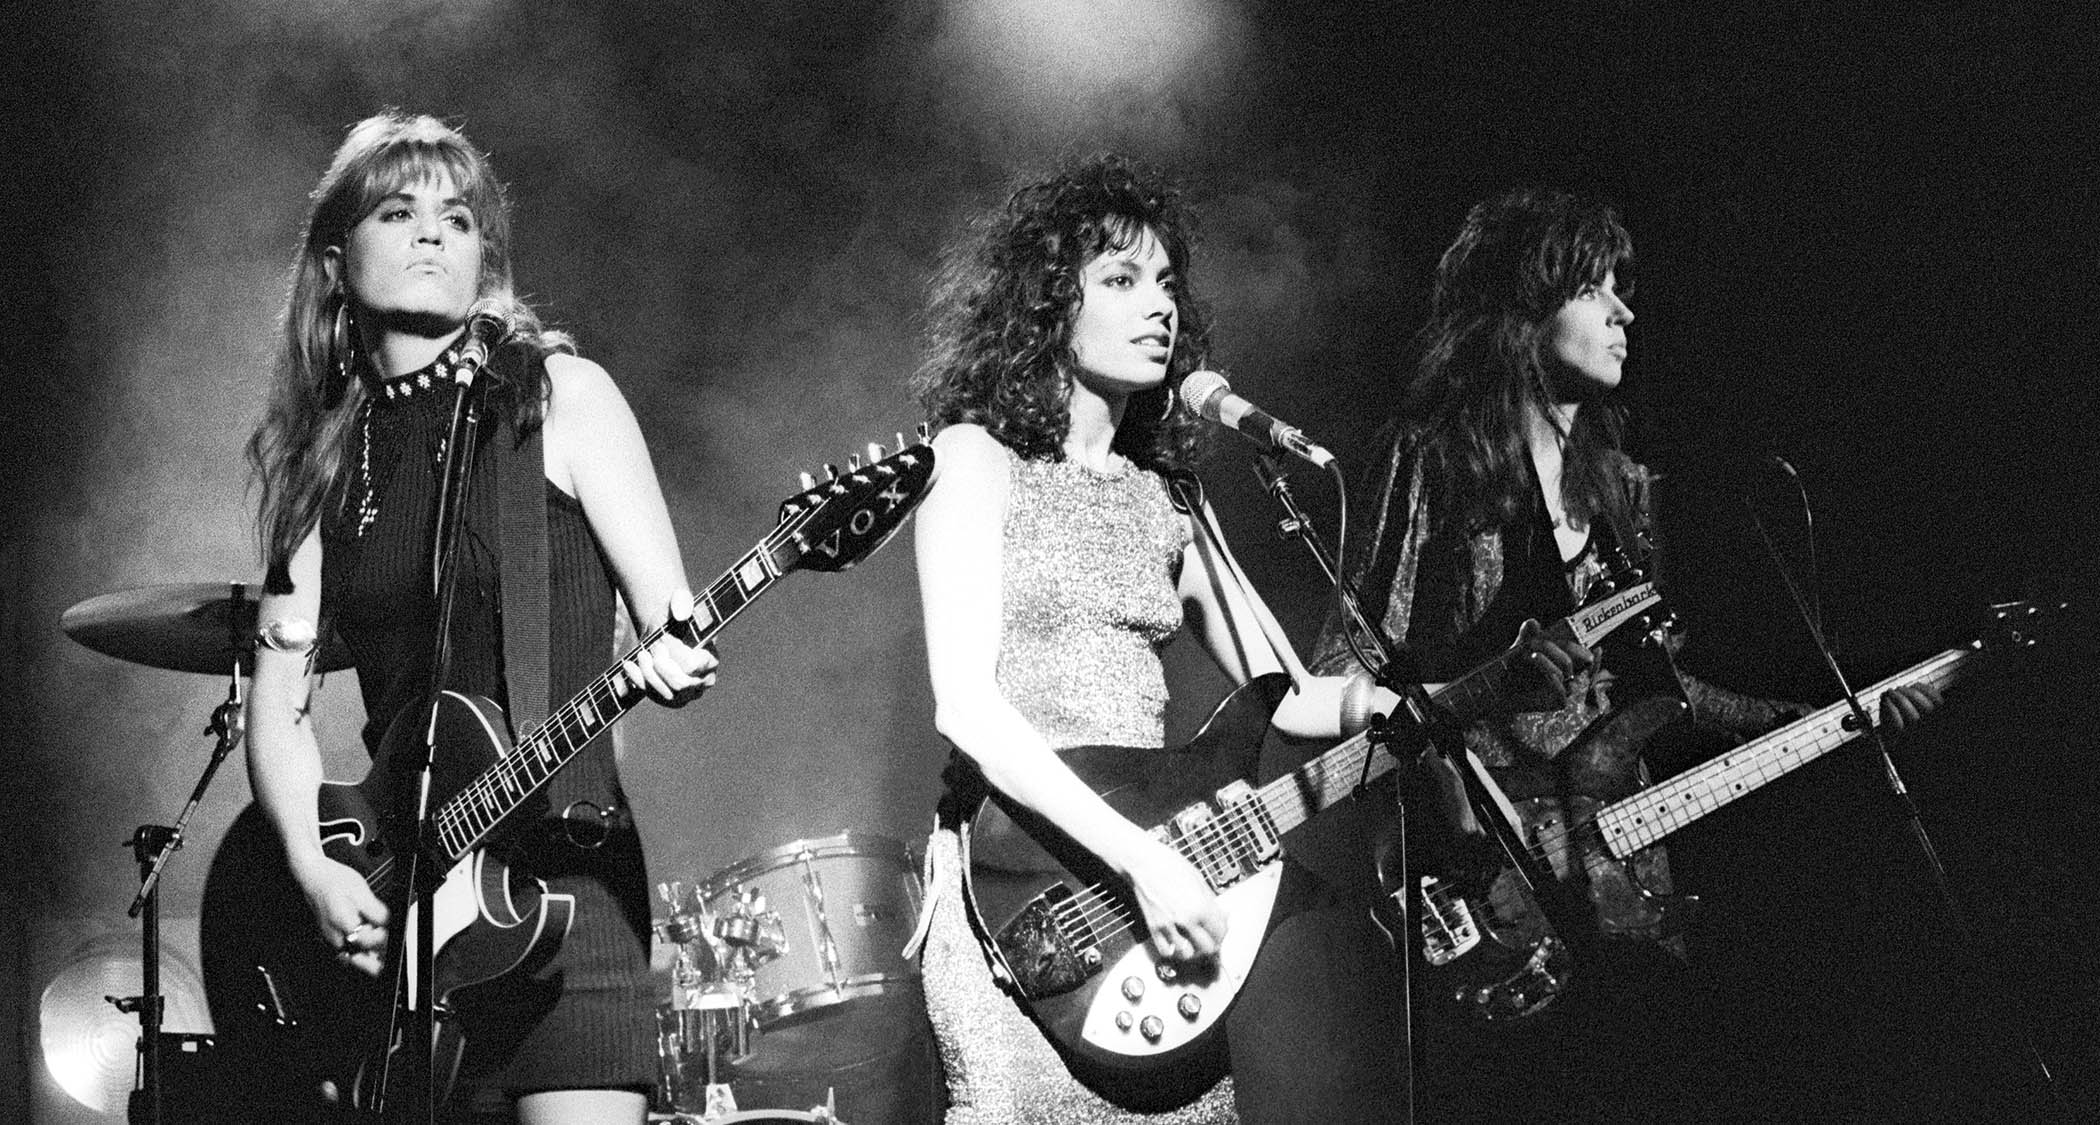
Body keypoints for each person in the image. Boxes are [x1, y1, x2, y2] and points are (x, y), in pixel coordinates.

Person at [1309, 186, 1938, 1118]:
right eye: (1593, 289)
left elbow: (1662, 687)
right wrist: (1432, 853)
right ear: (1525, 305)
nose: (1624, 311)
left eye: (1621, 288)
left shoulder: (1626, 490)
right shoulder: (1434, 456)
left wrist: (1834, 715)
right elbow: (1348, 669)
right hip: (1483, 886)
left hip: (1629, 882)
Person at [907, 154, 1407, 1125]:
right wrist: (1139, 860)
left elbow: (1287, 692)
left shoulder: (1169, 501)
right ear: (1049, 305)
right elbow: (965, 704)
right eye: (1122, 280)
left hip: (1164, 904)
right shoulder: (973, 461)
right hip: (1024, 892)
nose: (1160, 308)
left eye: (1169, 285)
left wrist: (1393, 702)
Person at [242, 111, 717, 1124]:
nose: (431, 235)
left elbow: (671, 614)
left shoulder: (559, 399)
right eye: (400, 211)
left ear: (483, 260)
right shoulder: (322, 467)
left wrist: (674, 653)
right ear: (336, 261)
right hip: (404, 914)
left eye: (458, 220)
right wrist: (313, 869)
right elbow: (275, 709)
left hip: (562, 889)